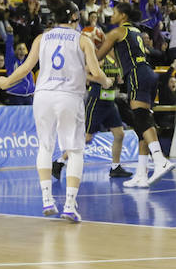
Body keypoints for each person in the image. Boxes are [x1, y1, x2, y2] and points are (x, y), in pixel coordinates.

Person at [0, 0, 111, 222]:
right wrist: (107, 82)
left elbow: (26, 67)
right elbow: (96, 74)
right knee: (76, 151)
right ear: (75, 18)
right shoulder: (83, 40)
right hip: (69, 96)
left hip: (43, 96)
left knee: (45, 147)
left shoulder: (42, 37)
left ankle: (47, 199)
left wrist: (6, 82)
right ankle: (69, 204)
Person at [95, 2, 175, 188]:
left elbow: (99, 56)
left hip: (137, 74)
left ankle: (160, 159)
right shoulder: (135, 31)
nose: (111, 15)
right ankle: (141, 173)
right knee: (142, 122)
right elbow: (119, 55)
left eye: (114, 12)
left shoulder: (117, 32)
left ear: (123, 16)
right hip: (148, 72)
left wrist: (91, 41)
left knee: (141, 118)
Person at [53, 51, 133, 180]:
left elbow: (117, 79)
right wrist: (102, 80)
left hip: (110, 102)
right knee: (87, 137)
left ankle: (115, 167)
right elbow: (82, 74)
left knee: (119, 134)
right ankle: (59, 162)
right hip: (96, 101)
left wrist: (119, 79)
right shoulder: (101, 59)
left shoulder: (117, 61)